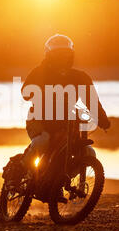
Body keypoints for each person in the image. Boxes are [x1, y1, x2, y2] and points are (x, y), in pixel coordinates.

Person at [20, 34, 110, 172]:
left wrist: (102, 119)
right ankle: (22, 170)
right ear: (49, 56)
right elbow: (25, 93)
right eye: (57, 54)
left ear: (71, 55)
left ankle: (64, 180)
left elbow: (92, 101)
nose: (62, 58)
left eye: (65, 54)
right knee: (42, 141)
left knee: (89, 152)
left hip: (68, 123)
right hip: (39, 120)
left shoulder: (80, 77)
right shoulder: (40, 72)